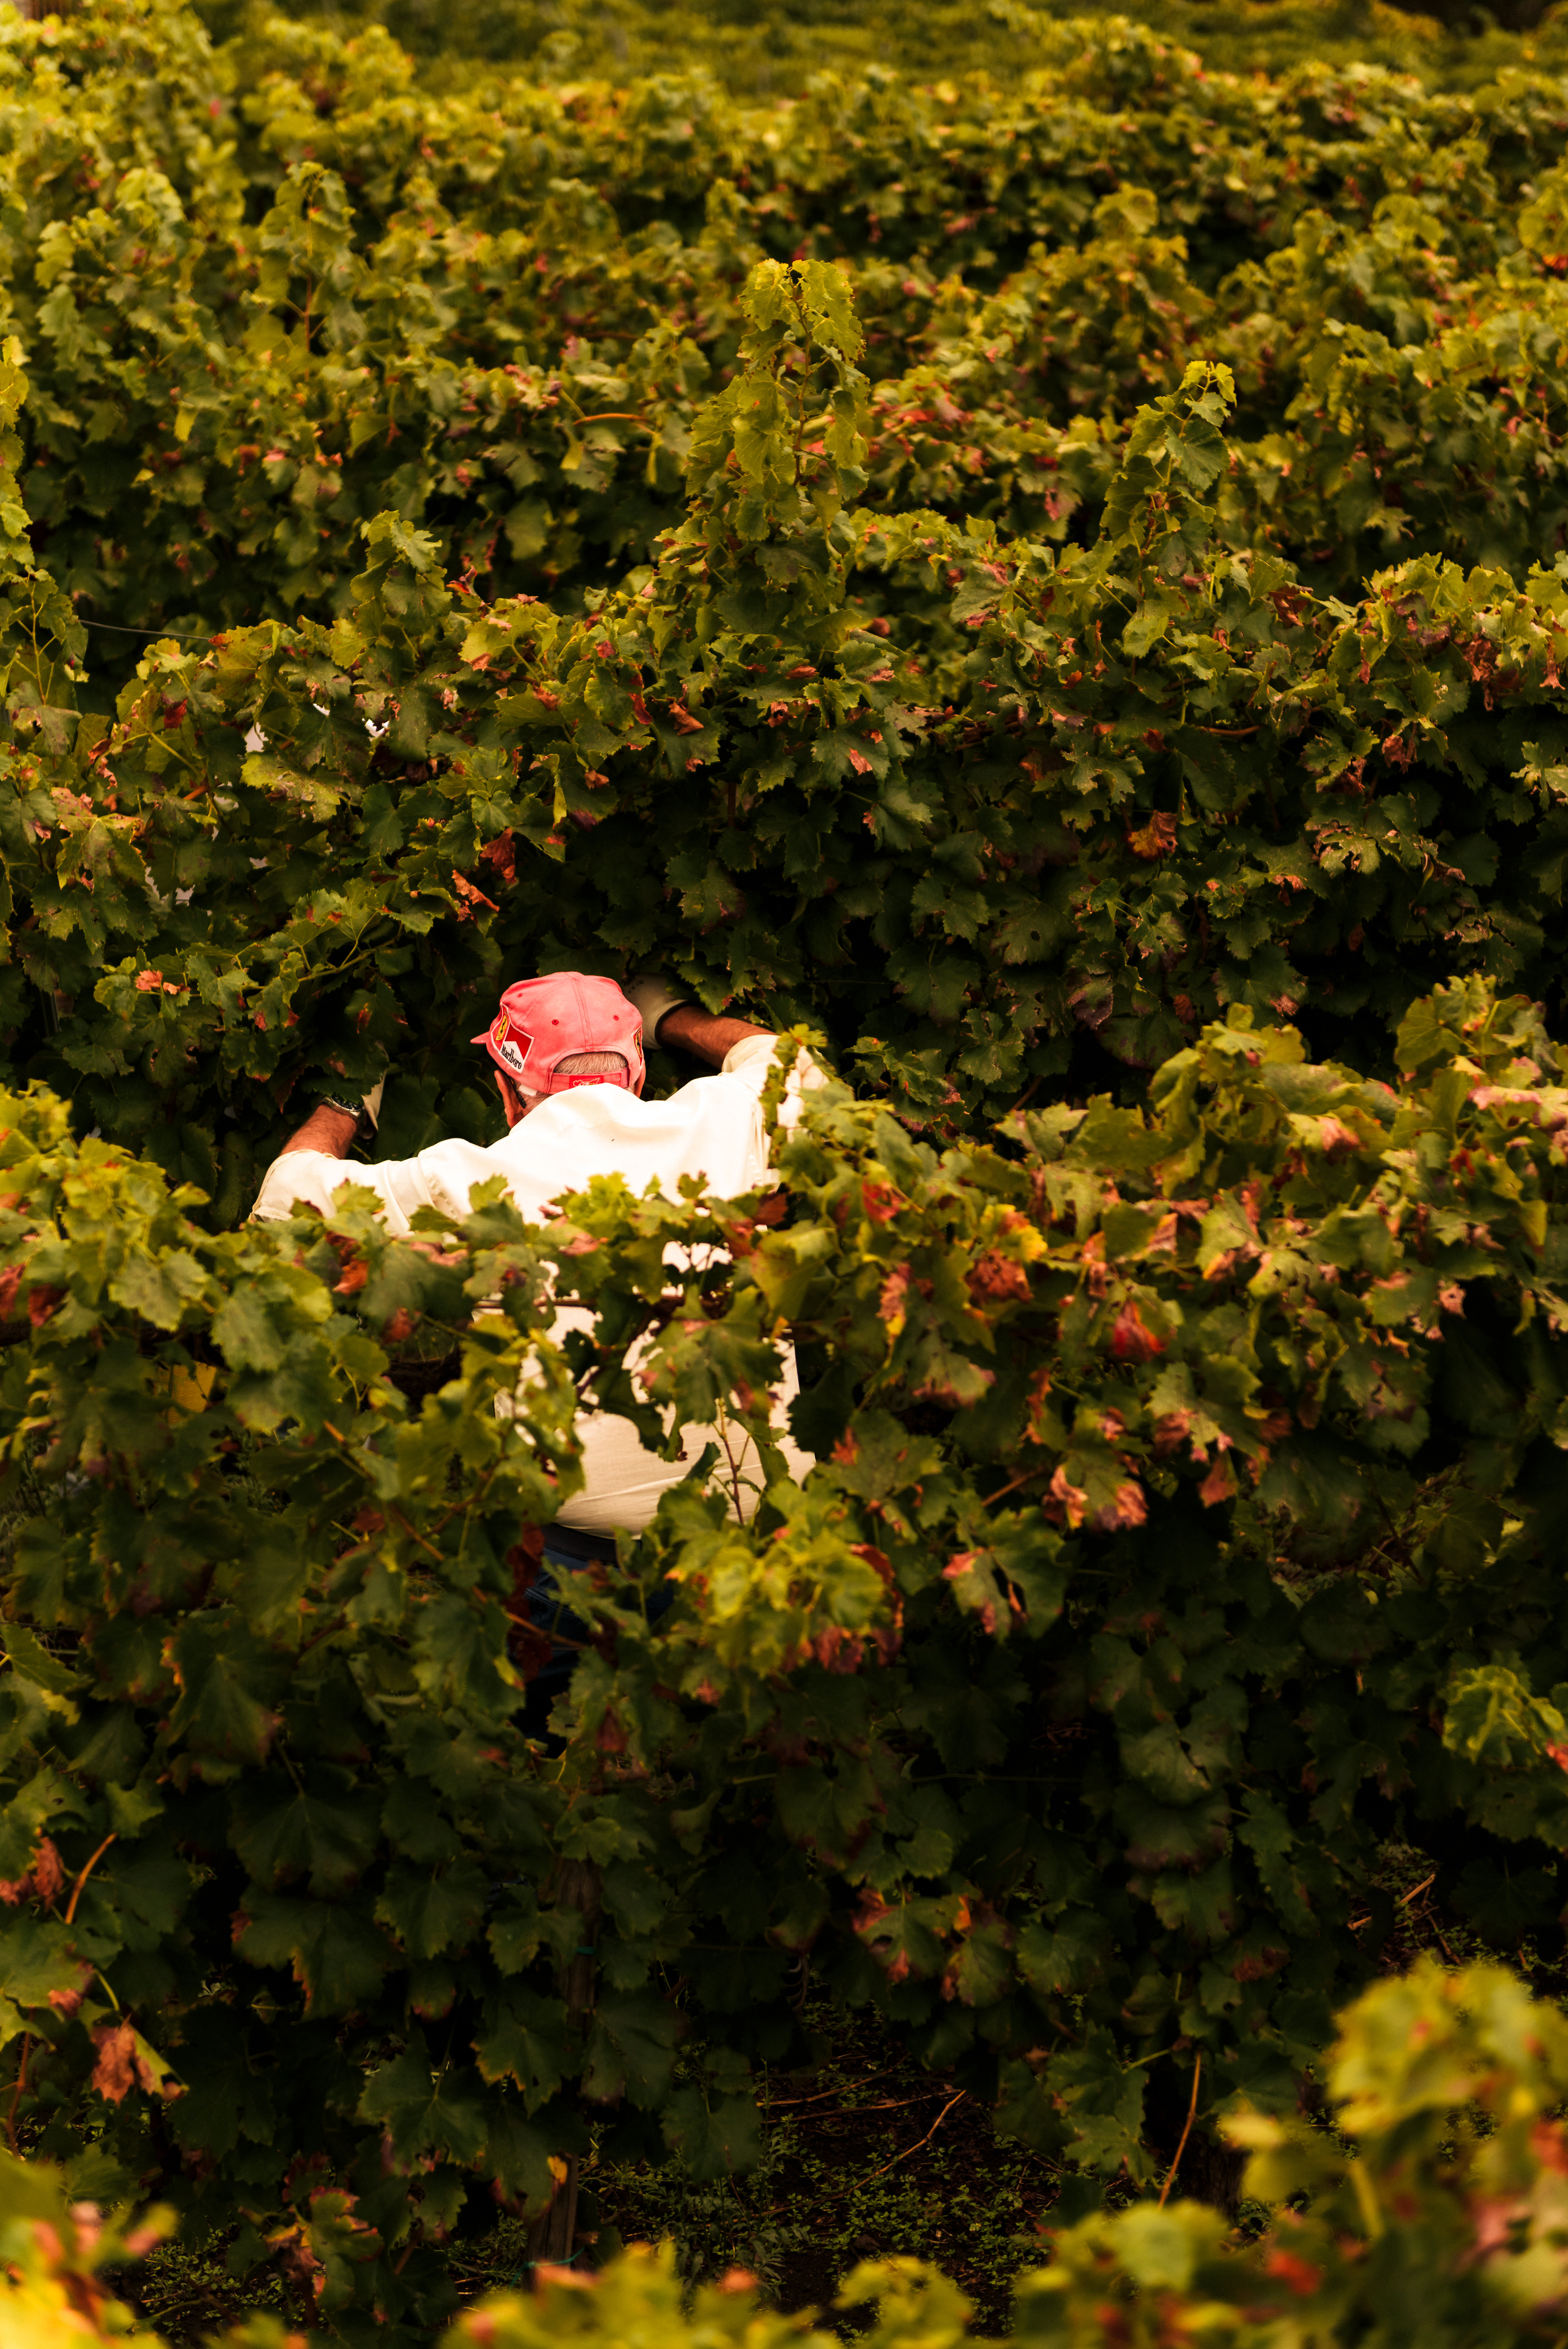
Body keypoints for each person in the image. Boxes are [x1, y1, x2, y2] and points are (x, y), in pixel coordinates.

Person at [251, 971, 821, 1552]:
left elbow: (285, 1197)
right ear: (640, 1075)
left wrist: (347, 1102)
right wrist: (671, 1018)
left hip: (583, 1555)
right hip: (765, 1537)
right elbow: (794, 1064)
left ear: (506, 1093)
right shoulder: (730, 1120)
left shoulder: (464, 1180)